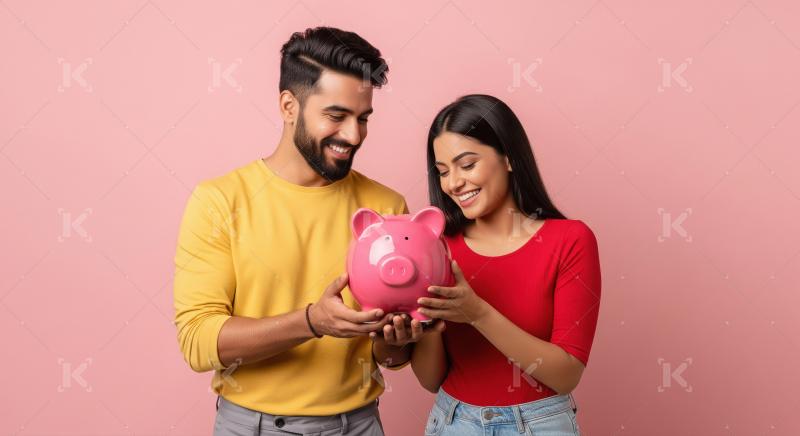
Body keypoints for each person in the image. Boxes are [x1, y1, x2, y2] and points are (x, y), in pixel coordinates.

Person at [172, 26, 427, 436]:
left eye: (363, 118)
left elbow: (389, 356)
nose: (354, 135)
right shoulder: (220, 201)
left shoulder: (387, 208)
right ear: (289, 105)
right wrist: (312, 322)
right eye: (336, 115)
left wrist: (397, 343)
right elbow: (199, 342)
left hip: (359, 423)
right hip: (253, 426)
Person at [409, 94, 601, 435]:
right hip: (454, 422)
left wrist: (477, 313)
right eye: (442, 171)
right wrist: (424, 327)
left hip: (541, 424)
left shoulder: (570, 240)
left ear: (509, 158)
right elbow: (430, 379)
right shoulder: (438, 247)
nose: (453, 183)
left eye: (467, 165)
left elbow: (566, 374)